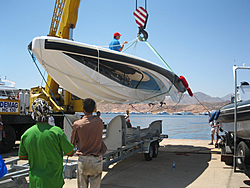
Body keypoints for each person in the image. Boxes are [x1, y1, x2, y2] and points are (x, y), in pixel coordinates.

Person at [18, 98, 74, 188]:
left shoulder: (26, 134)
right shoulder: (57, 132)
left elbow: (22, 156)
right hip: (54, 182)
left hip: (35, 182)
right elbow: (70, 153)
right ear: (48, 113)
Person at [70, 98, 107, 188]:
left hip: (83, 160)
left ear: (83, 108)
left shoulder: (77, 125)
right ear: (94, 108)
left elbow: (72, 143)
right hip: (96, 160)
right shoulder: (99, 122)